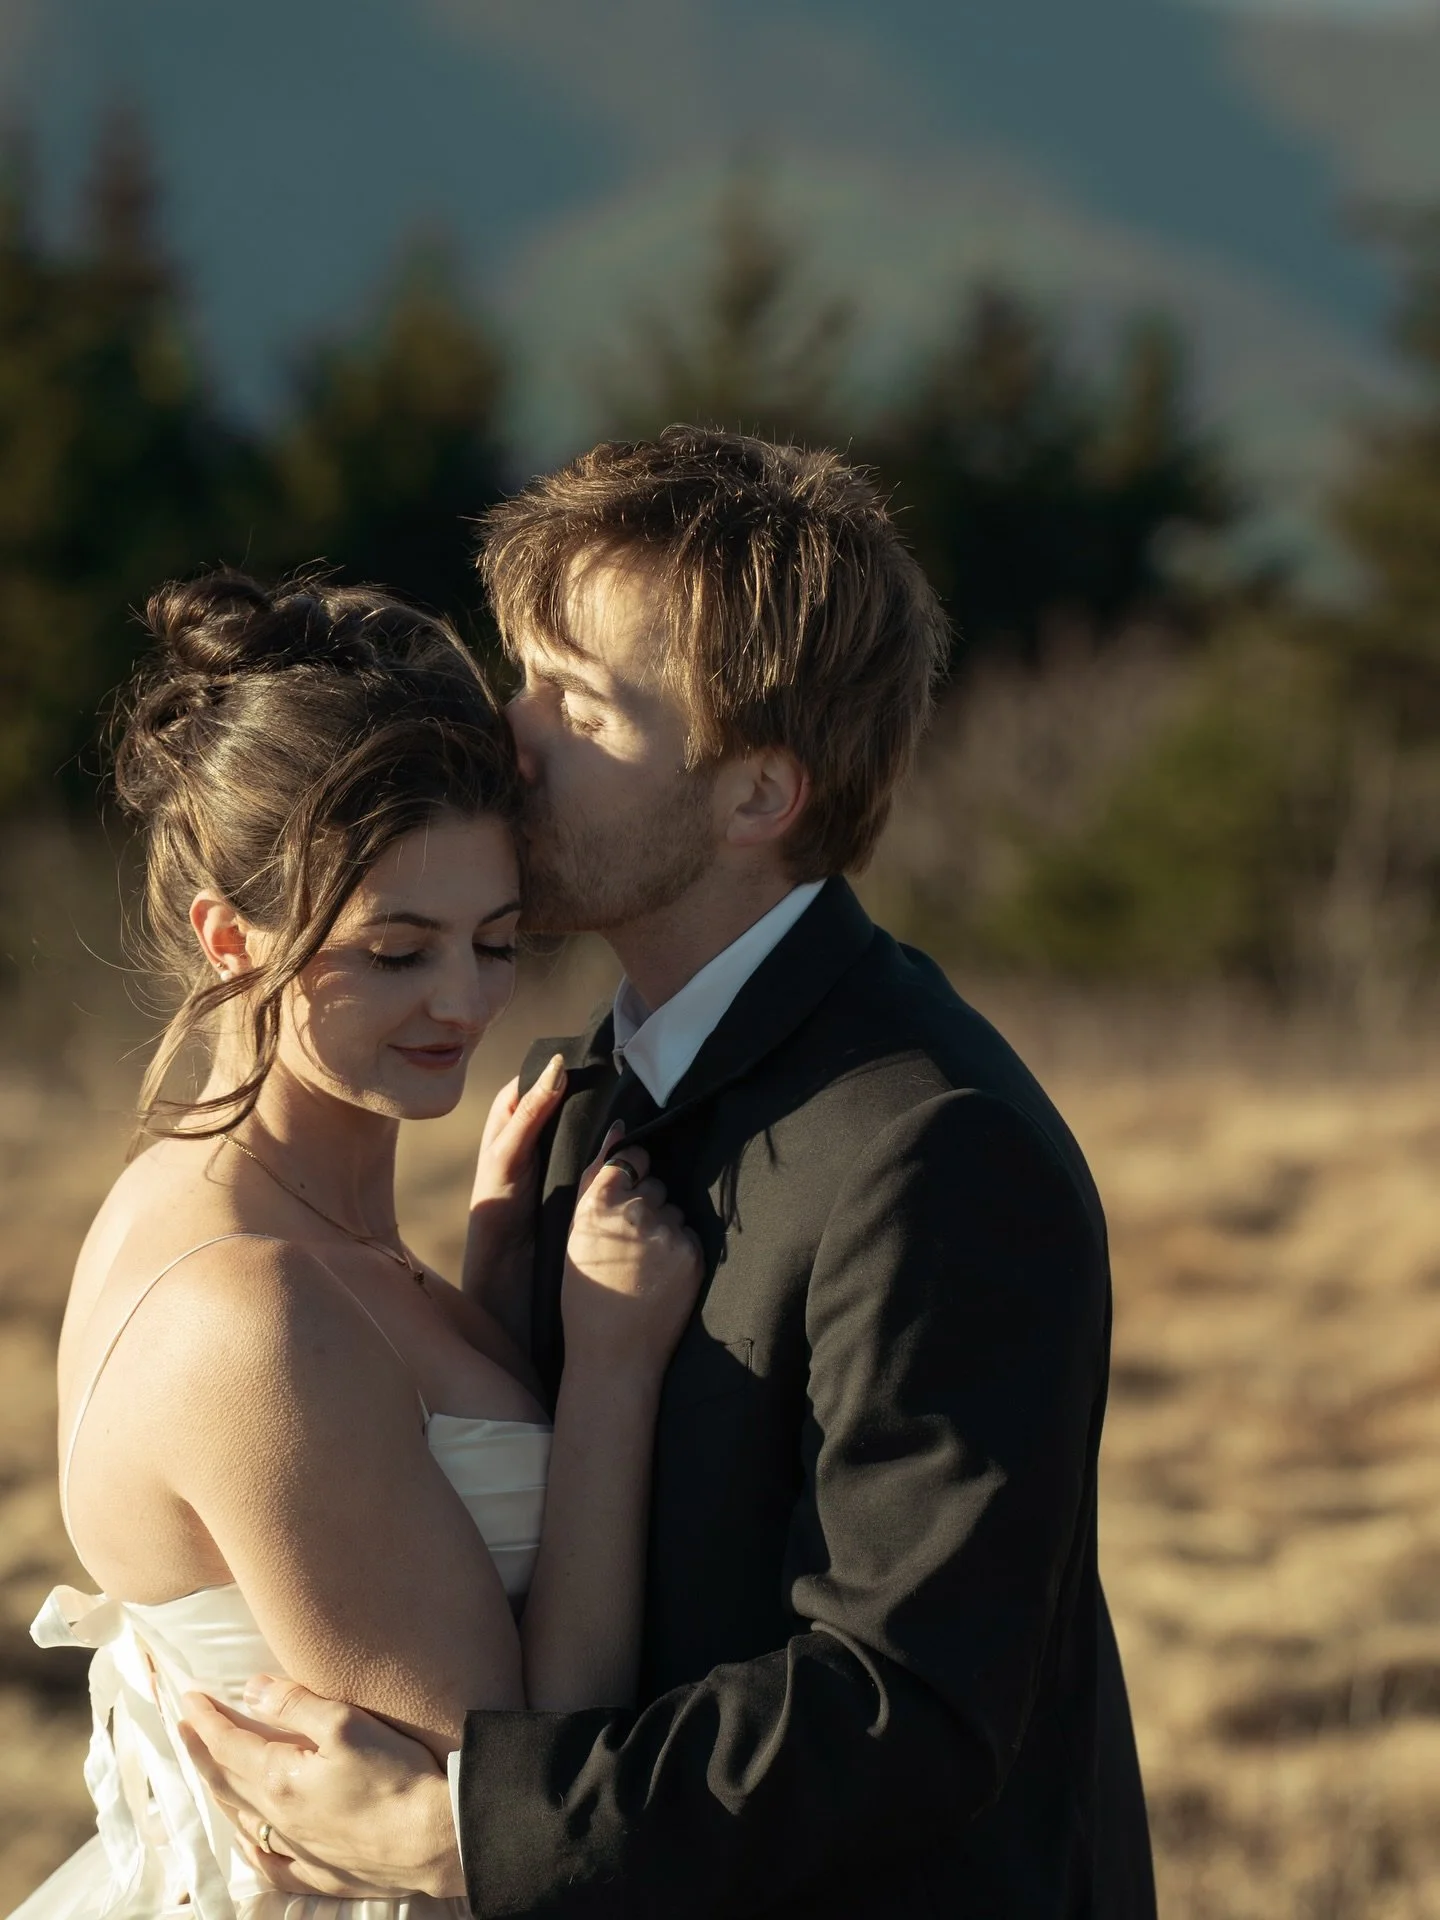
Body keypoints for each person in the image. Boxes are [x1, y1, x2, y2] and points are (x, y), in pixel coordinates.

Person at [183, 429, 1158, 1918]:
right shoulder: (584, 1088)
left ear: (755, 795)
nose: (510, 736)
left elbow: (909, 1708)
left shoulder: (937, 1152)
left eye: (575, 700)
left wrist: (471, 1830)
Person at [15, 572, 702, 1920]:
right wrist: (614, 1371)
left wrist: (492, 1301)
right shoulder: (248, 1316)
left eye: (495, 942)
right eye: (396, 953)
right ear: (231, 938)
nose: (465, 1001)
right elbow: (520, 1804)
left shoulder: (243, 1209)